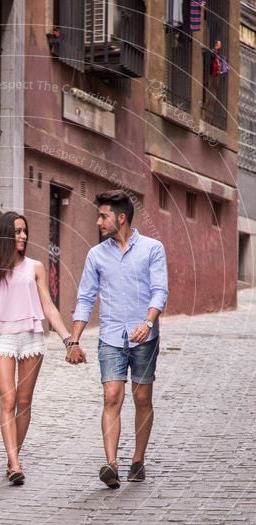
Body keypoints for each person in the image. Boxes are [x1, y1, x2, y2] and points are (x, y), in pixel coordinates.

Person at [66, 191, 168, 488]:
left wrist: (148, 323)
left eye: (103, 216)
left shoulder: (152, 249)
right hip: (111, 336)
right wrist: (73, 341)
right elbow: (85, 298)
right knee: (111, 396)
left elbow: (160, 291)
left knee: (141, 397)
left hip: (144, 337)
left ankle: (138, 459)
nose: (98, 222)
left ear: (120, 218)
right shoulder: (96, 255)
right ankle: (111, 464)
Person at [0, 211, 74, 485]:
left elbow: (48, 307)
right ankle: (15, 464)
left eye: (24, 231)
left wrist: (68, 339)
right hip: (2, 338)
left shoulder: (35, 267)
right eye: (17, 231)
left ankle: (12, 454)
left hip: (30, 337)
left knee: (24, 402)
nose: (23, 236)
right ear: (5, 235)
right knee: (8, 399)